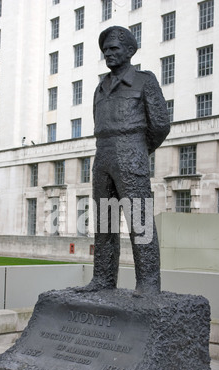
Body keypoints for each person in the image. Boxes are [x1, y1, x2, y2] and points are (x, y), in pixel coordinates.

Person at [82, 26, 170, 296]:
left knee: (139, 221)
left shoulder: (145, 81)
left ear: (130, 51)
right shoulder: (100, 87)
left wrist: (138, 149)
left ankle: (148, 283)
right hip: (103, 155)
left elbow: (160, 125)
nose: (108, 52)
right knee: (105, 222)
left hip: (131, 151)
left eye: (114, 48)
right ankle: (104, 279)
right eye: (106, 49)